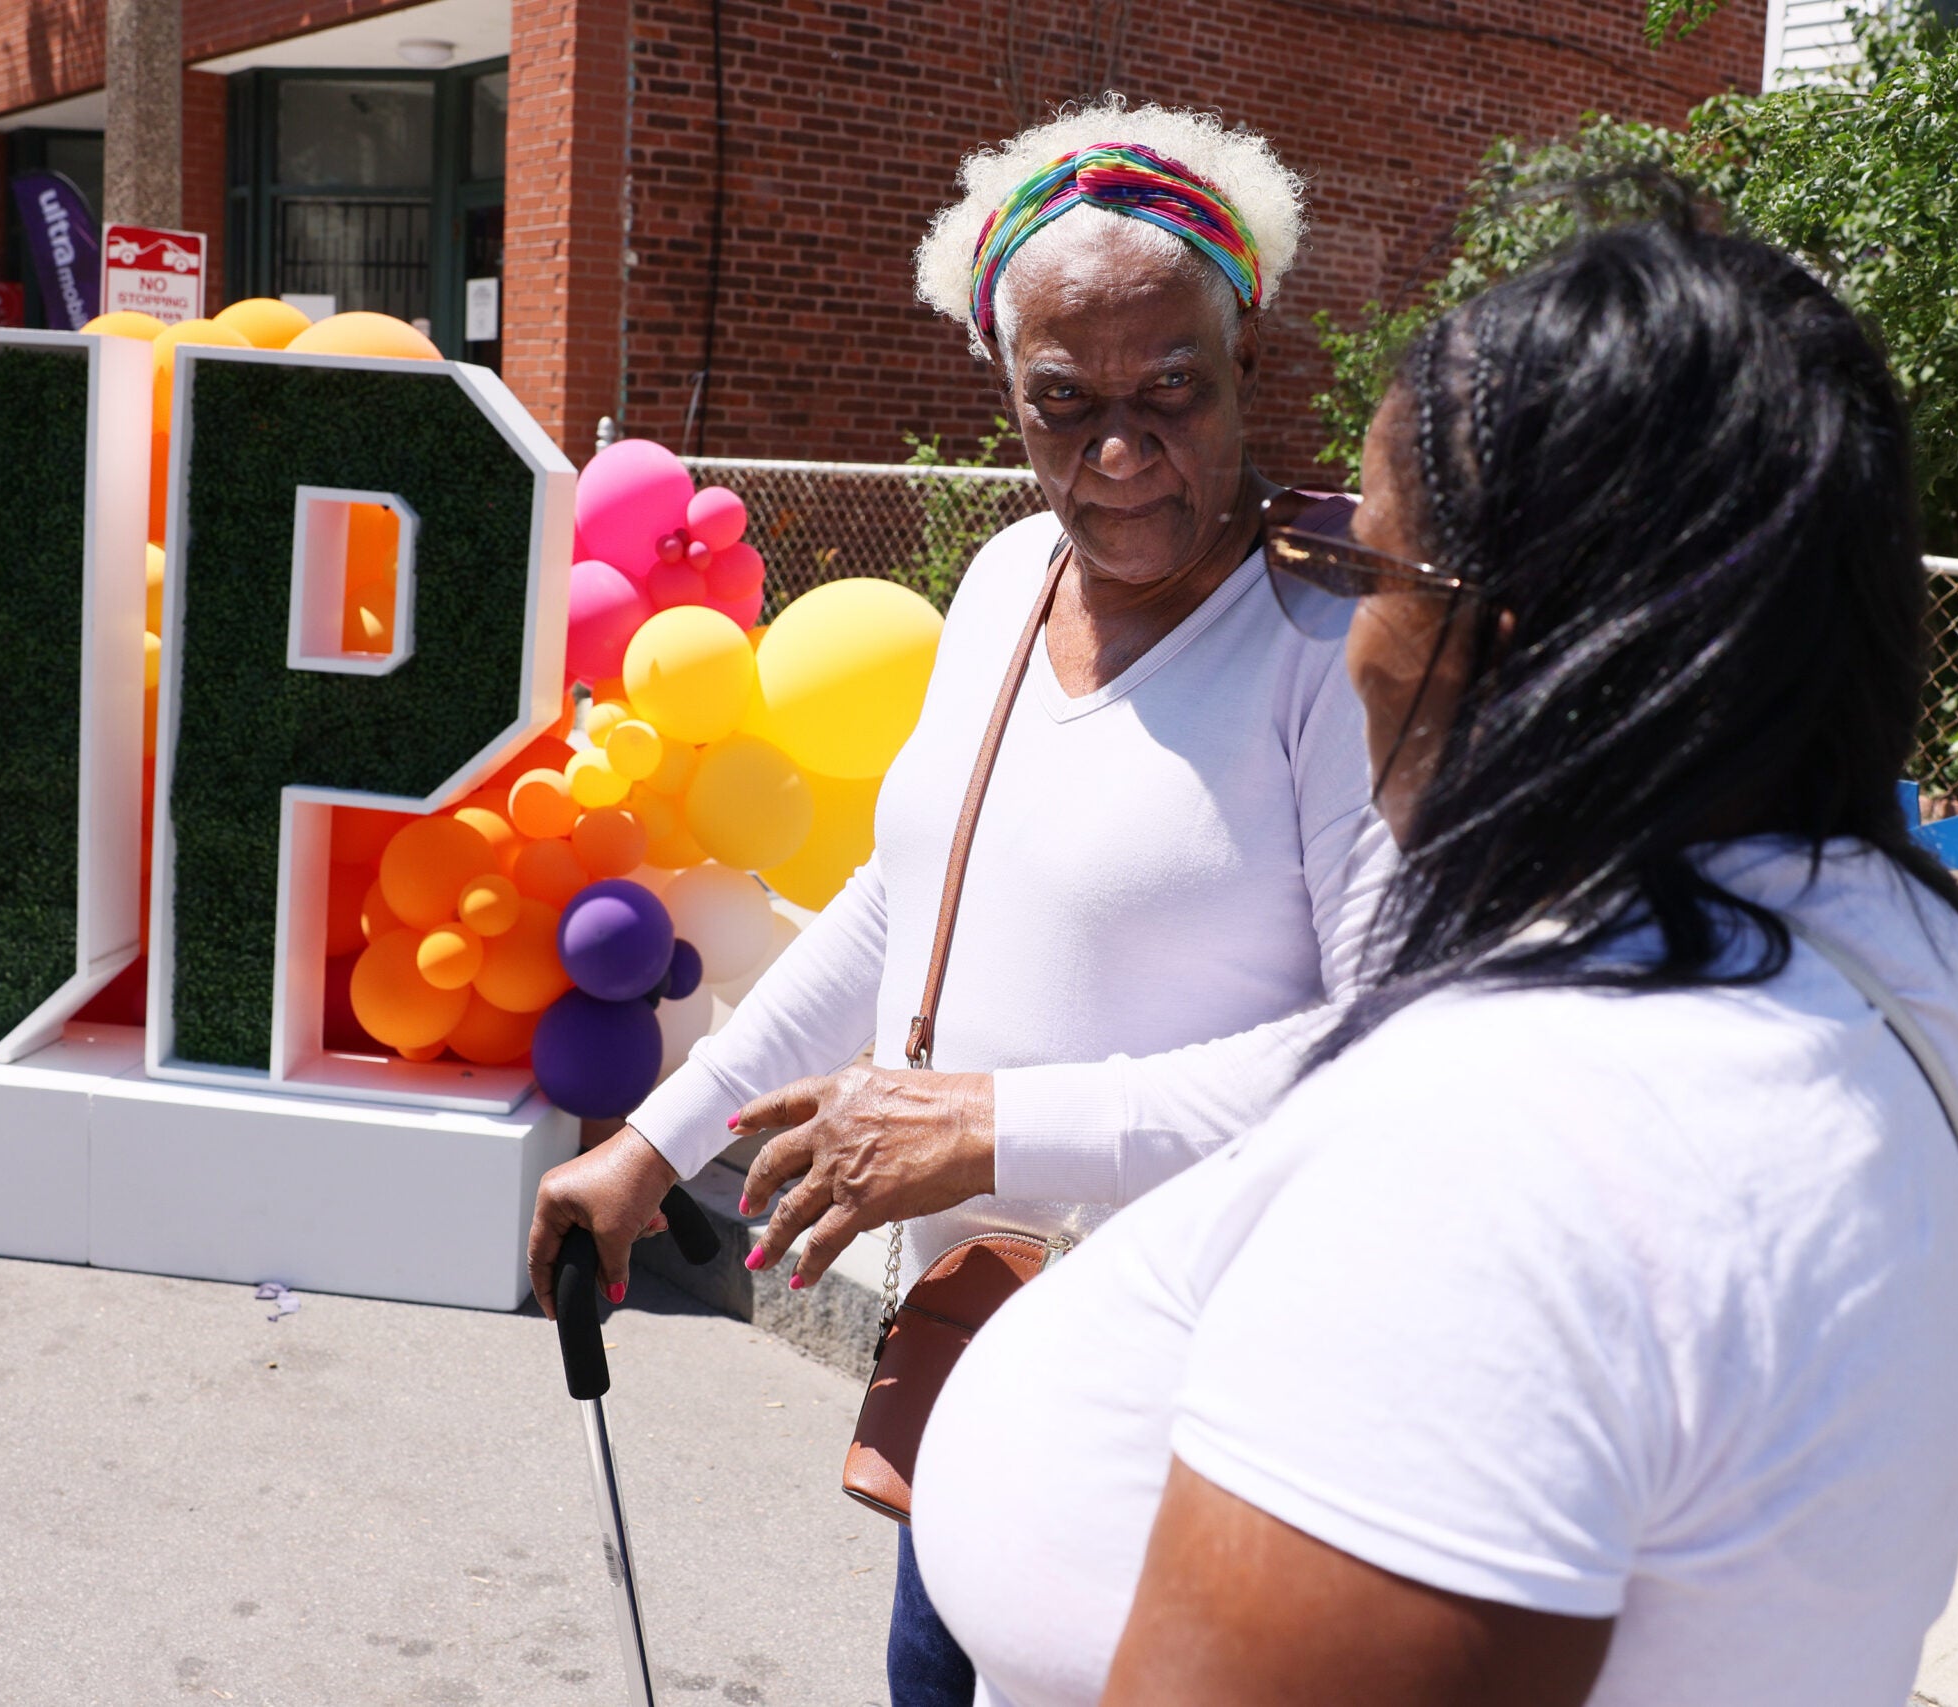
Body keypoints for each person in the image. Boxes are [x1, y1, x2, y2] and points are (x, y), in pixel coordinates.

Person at [909, 217, 1958, 1707]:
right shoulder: (1922, 965)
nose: (1348, 634)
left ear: (1513, 644)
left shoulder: (1512, 1146)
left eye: (1366, 568)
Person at [527, 100, 1396, 1704]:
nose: (1118, 452)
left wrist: (990, 1125)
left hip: (1199, 1424)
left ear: (1251, 355)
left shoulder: (1332, 644)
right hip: (982, 1372)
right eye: (1063, 403)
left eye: (1171, 392)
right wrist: (660, 1143)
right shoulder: (1010, 577)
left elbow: (1383, 1064)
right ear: (1006, 388)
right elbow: (891, 906)